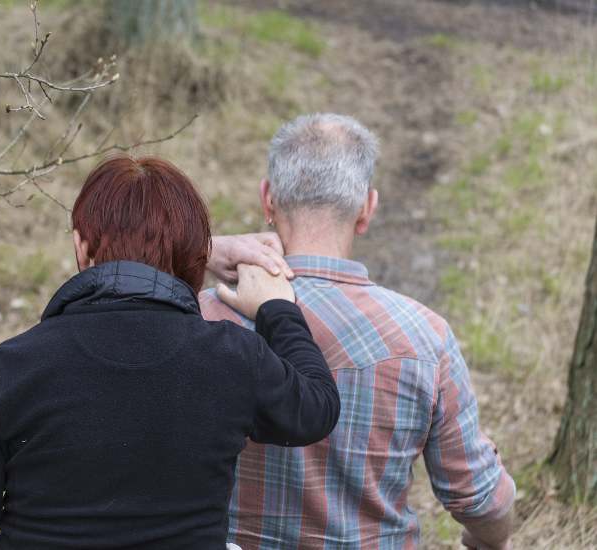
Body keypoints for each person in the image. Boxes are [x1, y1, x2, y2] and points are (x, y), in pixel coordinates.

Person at [0, 156, 341, 550]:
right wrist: (276, 309)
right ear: (196, 258)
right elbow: (316, 408)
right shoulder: (231, 357)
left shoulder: (13, 367)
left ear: (80, 245)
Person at [201, 113, 516, 550]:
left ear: (268, 200)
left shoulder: (201, 318)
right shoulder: (425, 338)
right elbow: (481, 499)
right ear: (367, 209)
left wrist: (203, 249)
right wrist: (487, 541)